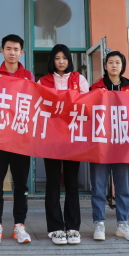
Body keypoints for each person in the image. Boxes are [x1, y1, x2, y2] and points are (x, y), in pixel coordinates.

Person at [37, 44, 89, 245]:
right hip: (51, 140)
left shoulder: (79, 79)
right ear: (52, 60)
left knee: (71, 183)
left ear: (69, 60)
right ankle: (55, 228)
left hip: (73, 139)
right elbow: (38, 106)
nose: (61, 62)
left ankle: (73, 227)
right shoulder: (42, 81)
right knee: (52, 183)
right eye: (57, 58)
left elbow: (87, 104)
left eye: (64, 58)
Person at [0, 34, 33, 245]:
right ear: (2, 51)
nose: (12, 52)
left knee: (21, 185)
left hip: (21, 140)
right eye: (8, 48)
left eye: (16, 49)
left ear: (21, 52)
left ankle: (19, 225)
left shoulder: (29, 77)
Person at [89, 51, 129, 241]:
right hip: (100, 144)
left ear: (122, 66)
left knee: (123, 187)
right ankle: (99, 223)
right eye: (110, 62)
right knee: (98, 185)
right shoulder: (95, 87)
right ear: (105, 66)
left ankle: (122, 224)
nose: (114, 65)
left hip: (123, 144)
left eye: (118, 62)